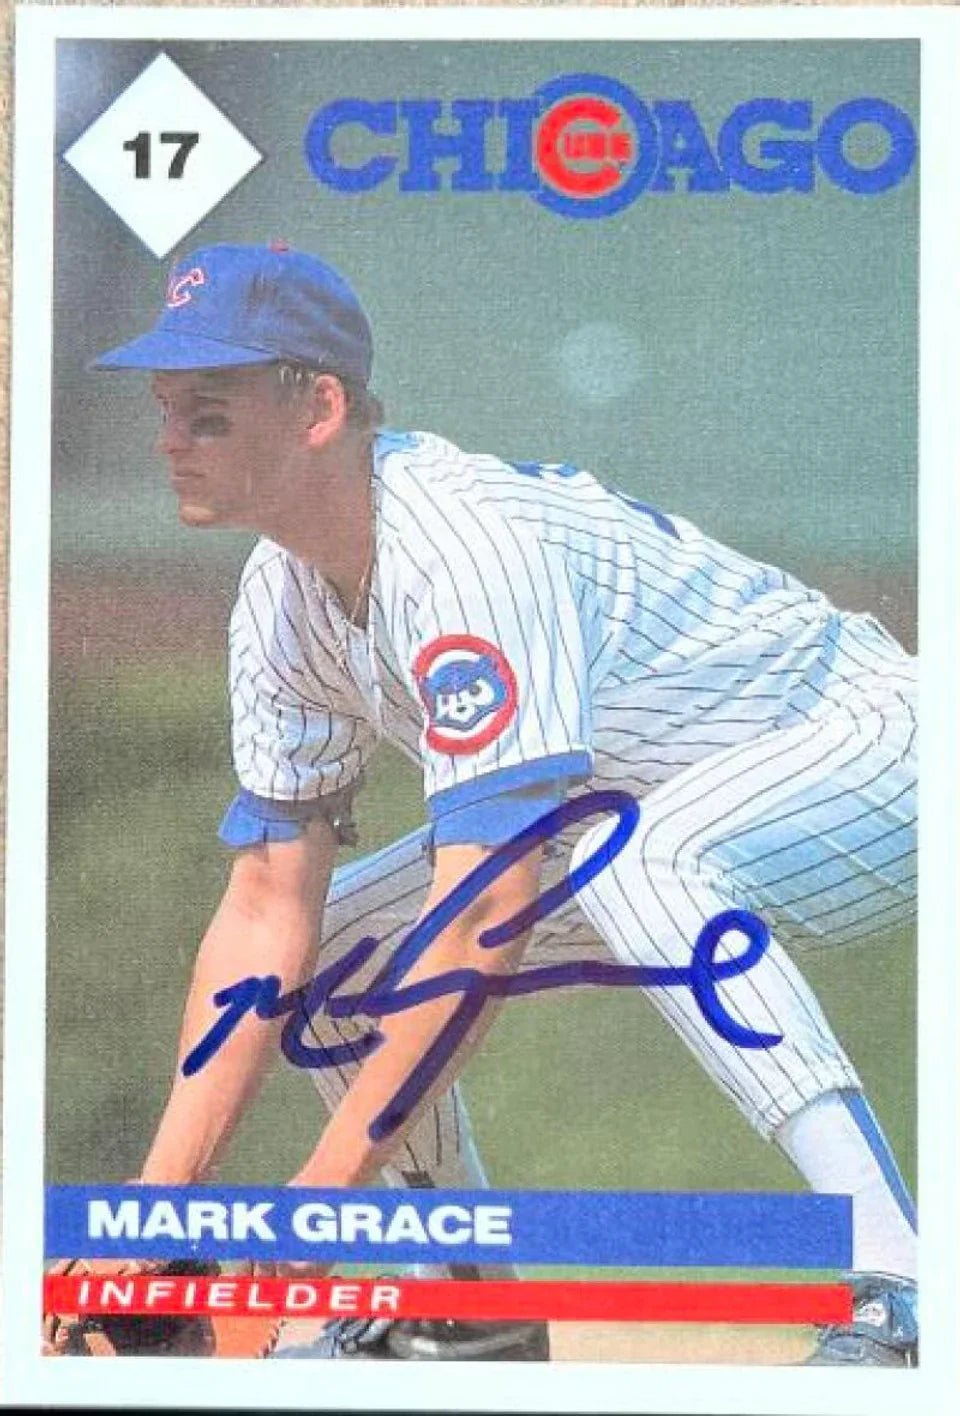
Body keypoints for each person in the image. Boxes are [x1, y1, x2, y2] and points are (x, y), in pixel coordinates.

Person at [90, 241, 917, 1366]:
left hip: (876, 740)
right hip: (664, 799)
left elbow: (484, 915)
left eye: (210, 412)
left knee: (648, 862)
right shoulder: (279, 598)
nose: (170, 441)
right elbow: (266, 911)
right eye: (166, 409)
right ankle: (466, 1303)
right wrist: (158, 1218)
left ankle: (904, 1283)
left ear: (319, 409)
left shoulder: (463, 549)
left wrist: (323, 1196)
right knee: (343, 946)